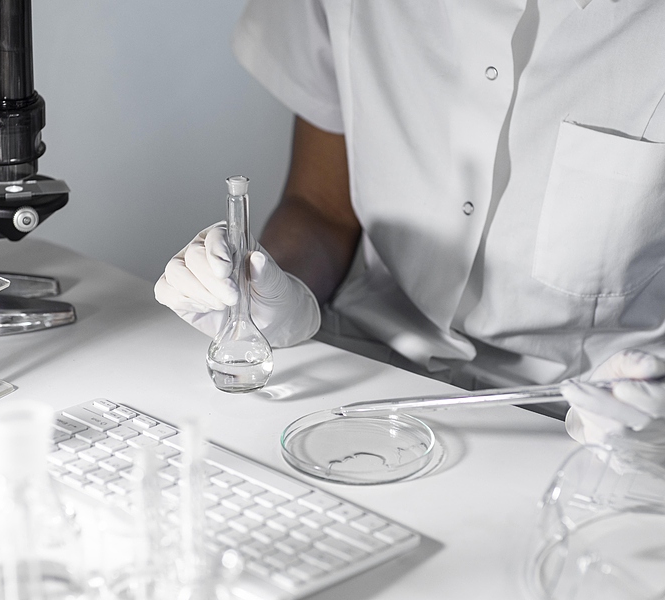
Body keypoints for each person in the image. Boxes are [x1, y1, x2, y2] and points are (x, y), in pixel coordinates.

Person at [155, 1, 665, 453]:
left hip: (581, 418)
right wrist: (270, 293)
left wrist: (653, 406)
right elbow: (321, 208)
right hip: (363, 375)